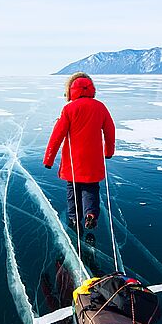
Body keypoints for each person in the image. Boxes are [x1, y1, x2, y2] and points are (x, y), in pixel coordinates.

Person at [43, 72, 115, 232]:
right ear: (91, 89)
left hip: (73, 160)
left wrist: (49, 159)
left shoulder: (69, 109)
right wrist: (108, 151)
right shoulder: (100, 107)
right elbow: (110, 131)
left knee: (72, 189)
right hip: (93, 160)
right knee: (91, 188)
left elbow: (57, 135)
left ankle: (75, 218)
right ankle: (91, 214)